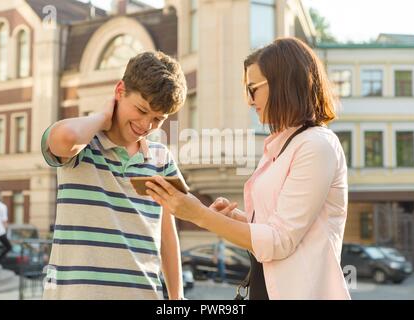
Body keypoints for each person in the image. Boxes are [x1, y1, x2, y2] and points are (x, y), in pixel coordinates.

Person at [145, 37, 351, 300]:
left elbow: (280, 241)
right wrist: (234, 220)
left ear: (282, 83)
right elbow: (275, 228)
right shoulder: (282, 145)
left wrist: (199, 215)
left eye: (253, 89)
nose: (249, 100)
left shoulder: (316, 145)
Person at [41, 51, 187, 300]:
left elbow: (166, 236)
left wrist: (177, 299)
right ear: (120, 91)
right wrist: (101, 117)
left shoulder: (161, 158)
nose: (146, 125)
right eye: (141, 110)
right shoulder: (84, 146)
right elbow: (65, 139)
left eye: (157, 119)